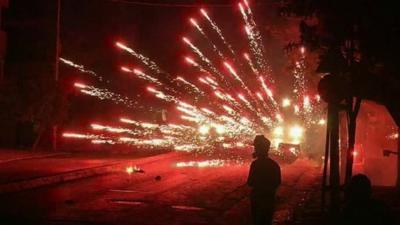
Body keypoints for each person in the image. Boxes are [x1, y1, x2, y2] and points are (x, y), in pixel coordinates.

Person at [247, 135, 281, 225]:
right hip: (269, 199)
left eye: (255, 147)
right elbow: (277, 182)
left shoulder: (255, 164)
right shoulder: (274, 165)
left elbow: (250, 182)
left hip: (257, 199)